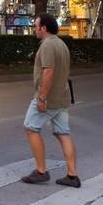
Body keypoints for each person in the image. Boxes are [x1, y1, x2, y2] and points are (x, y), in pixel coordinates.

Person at [21, 13, 80, 188]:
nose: (34, 29)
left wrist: (42, 98)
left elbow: (48, 71)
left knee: (30, 128)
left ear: (43, 28)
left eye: (36, 26)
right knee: (63, 133)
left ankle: (41, 171)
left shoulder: (47, 45)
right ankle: (72, 175)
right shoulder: (61, 44)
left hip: (49, 98)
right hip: (62, 97)